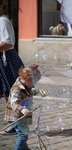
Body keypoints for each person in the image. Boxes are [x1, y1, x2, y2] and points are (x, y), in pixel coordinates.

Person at [4, 64, 42, 150]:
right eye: (34, 82)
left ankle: (24, 148)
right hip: (15, 116)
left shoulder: (26, 84)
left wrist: (38, 91)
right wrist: (22, 109)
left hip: (21, 116)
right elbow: (13, 103)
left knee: (24, 134)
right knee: (23, 135)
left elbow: (30, 91)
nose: (34, 85)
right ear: (27, 79)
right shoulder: (17, 89)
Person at [0, 0, 24, 134]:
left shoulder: (2, 21)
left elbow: (8, 43)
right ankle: (14, 122)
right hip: (3, 60)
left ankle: (16, 124)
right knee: (6, 92)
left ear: (1, 7)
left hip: (7, 60)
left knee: (12, 91)